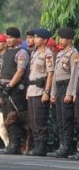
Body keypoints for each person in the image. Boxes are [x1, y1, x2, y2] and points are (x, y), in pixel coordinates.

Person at [47, 27, 78, 158]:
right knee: (60, 119)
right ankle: (62, 145)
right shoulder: (60, 54)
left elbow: (75, 75)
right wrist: (53, 93)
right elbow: (55, 75)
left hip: (67, 87)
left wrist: (70, 93)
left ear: (69, 39)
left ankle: (67, 147)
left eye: (62, 38)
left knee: (67, 119)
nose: (60, 40)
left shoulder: (74, 53)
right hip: (59, 87)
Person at [0, 27, 30, 154]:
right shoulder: (7, 52)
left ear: (18, 39)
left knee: (14, 117)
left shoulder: (21, 52)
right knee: (7, 117)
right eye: (7, 37)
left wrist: (10, 86)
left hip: (15, 88)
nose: (8, 40)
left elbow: (20, 71)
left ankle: (16, 145)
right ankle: (11, 143)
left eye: (11, 37)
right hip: (5, 87)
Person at [25, 28, 54, 156]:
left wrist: (47, 91)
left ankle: (41, 146)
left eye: (37, 37)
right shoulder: (35, 53)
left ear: (45, 40)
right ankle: (37, 145)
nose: (34, 39)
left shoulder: (48, 54)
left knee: (39, 119)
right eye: (34, 37)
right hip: (32, 89)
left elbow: (50, 74)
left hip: (40, 90)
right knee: (32, 120)